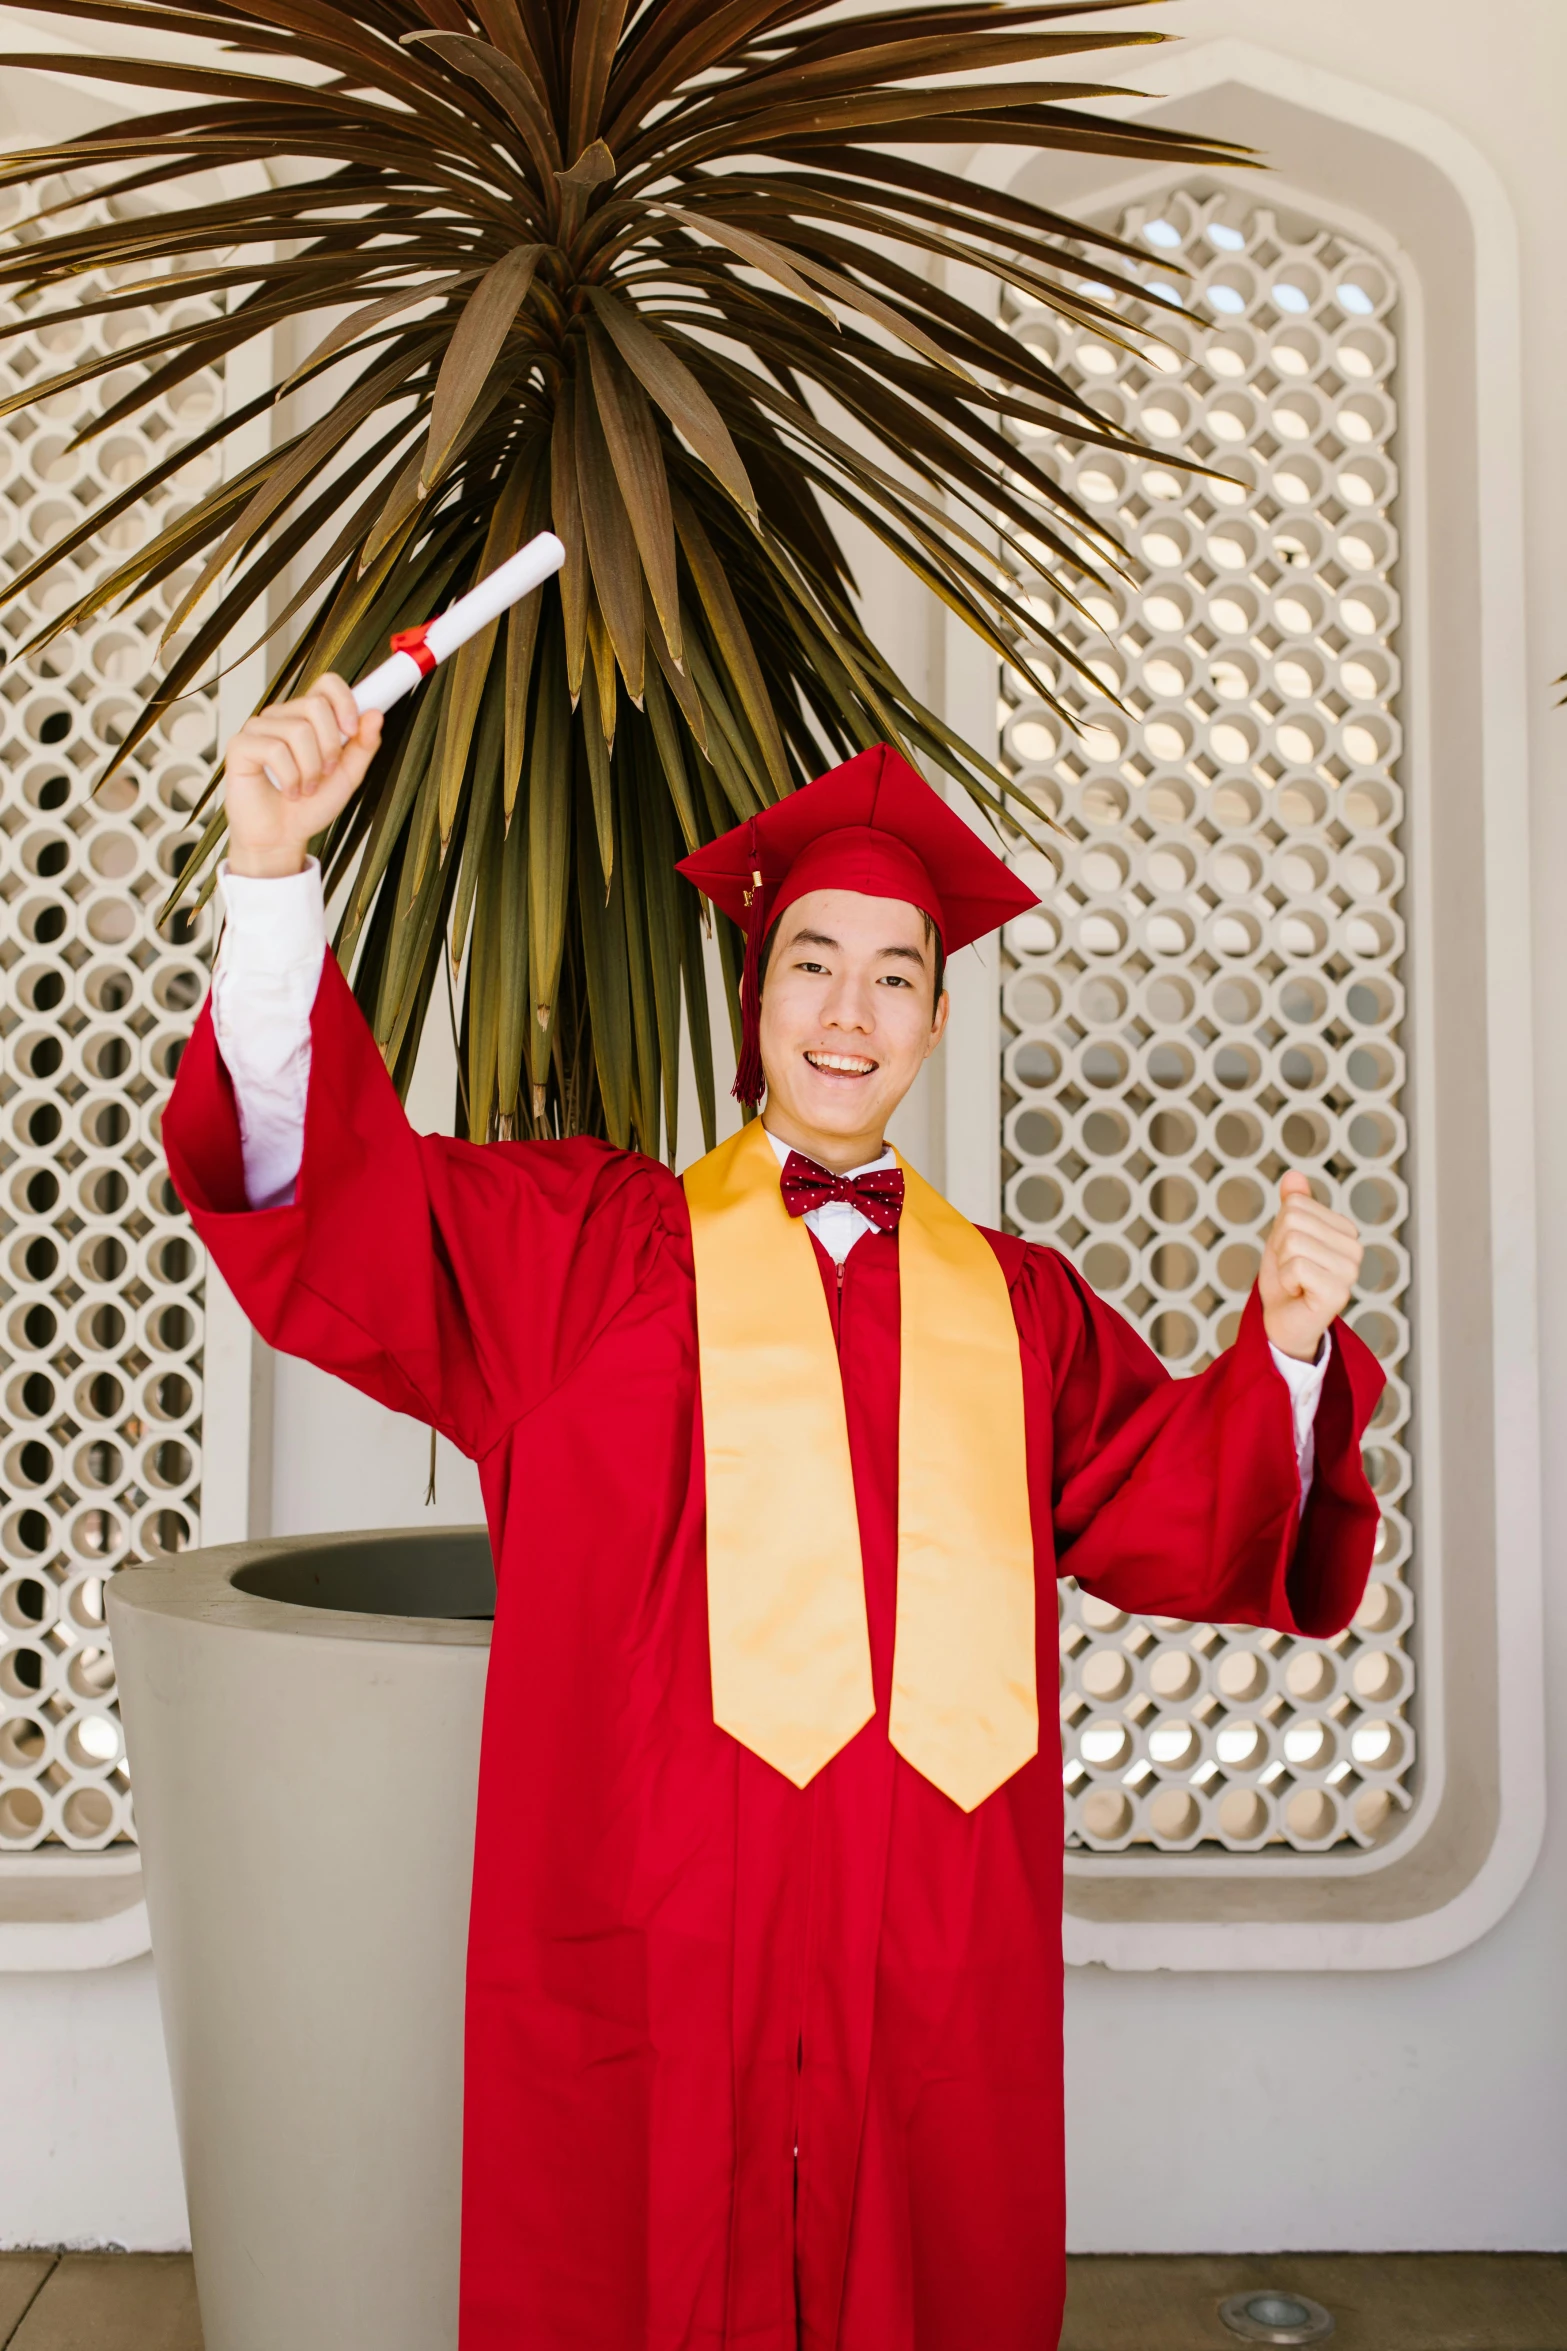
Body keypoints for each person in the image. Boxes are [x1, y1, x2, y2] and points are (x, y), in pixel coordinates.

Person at [162, 673, 1381, 2351]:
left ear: (936, 1024)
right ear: (756, 995)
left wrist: (1291, 1357)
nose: (850, 1009)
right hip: (650, 1970)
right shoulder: (588, 1257)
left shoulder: (1017, 1312)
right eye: (813, 959)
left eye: (897, 975)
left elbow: (1188, 1496)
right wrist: (272, 872)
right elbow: (340, 1199)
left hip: (921, 1989)